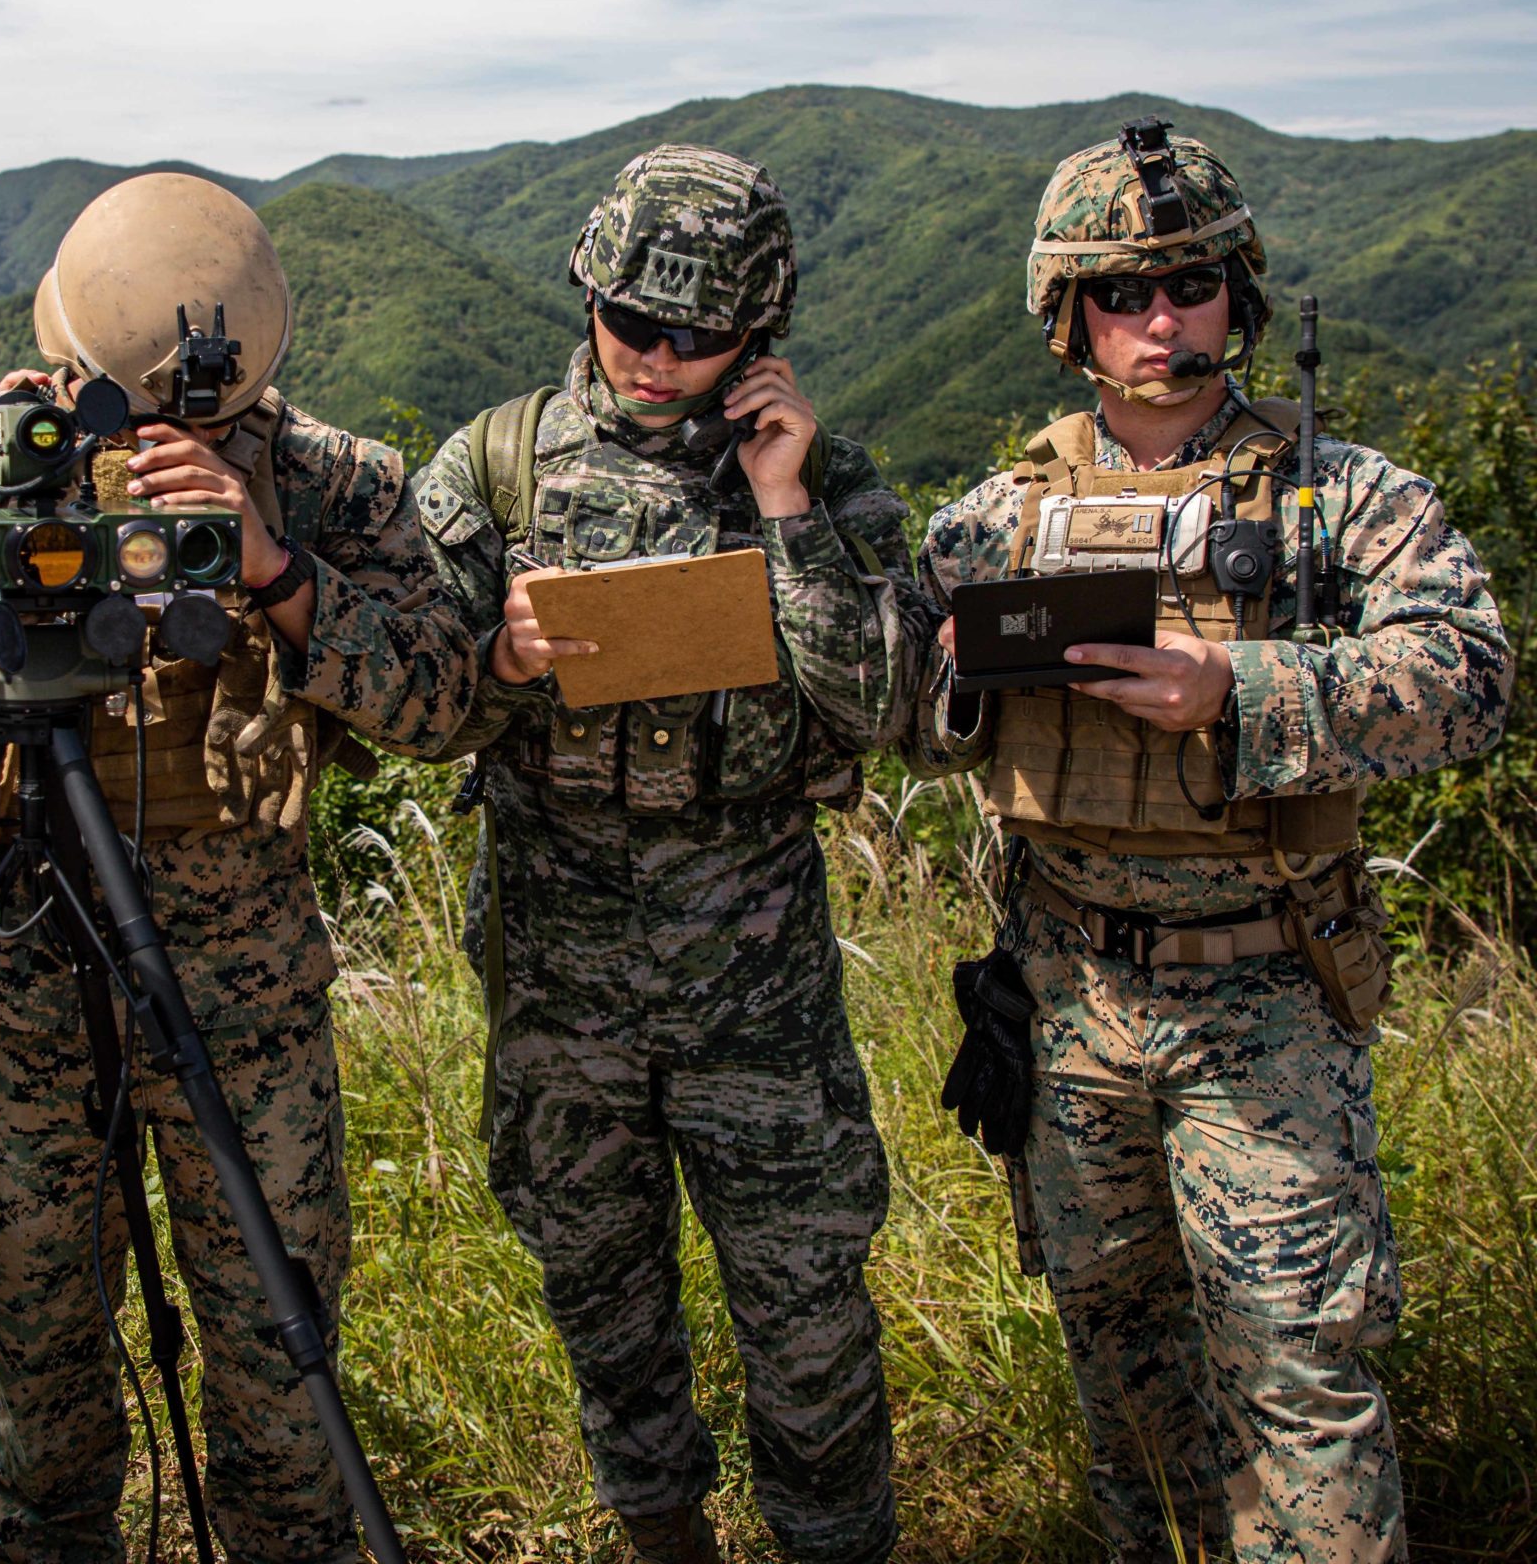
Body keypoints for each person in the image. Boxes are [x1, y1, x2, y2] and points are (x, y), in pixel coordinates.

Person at [909, 120, 1514, 1563]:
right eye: (1121, 293)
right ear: (1070, 317)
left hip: (1268, 994)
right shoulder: (999, 517)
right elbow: (908, 721)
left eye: (1189, 284)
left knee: (1300, 1373)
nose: (1159, 319)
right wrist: (950, 671)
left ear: (1237, 294)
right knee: (1120, 1355)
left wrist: (1237, 690)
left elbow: (1473, 678)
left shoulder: (1342, 496)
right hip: (1070, 994)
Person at [0, 172, 476, 1562]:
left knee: (280, 1357)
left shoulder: (334, 483)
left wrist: (273, 568)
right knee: (39, 1349)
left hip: (245, 1011)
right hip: (36, 991)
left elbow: (441, 706)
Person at [409, 146, 919, 1564]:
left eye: (699, 336)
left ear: (759, 334)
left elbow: (889, 707)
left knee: (808, 1311)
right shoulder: (497, 465)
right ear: (588, 291)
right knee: (604, 1304)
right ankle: (661, 1539)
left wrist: (786, 512)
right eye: (632, 321)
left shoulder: (822, 476)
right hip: (560, 982)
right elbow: (411, 708)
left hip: (757, 987)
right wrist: (505, 662)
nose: (656, 359)